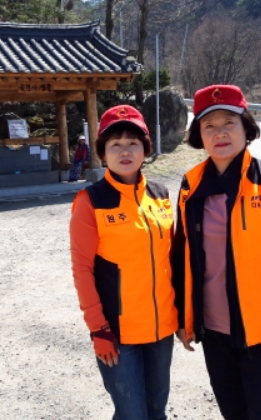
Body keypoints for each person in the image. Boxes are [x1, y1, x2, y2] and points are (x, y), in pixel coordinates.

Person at [171, 84, 261, 420]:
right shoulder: (191, 185)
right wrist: (184, 318)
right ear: (199, 135)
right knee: (232, 412)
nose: (219, 133)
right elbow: (182, 255)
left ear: (245, 128)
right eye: (209, 125)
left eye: (228, 123)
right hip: (213, 329)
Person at [70, 105, 177, 420]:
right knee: (132, 414)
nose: (125, 150)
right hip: (117, 332)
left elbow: (173, 260)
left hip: (161, 329)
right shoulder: (91, 201)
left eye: (133, 142)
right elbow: (82, 270)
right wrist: (98, 329)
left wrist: (184, 315)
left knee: (157, 411)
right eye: (115, 144)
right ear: (103, 153)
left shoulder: (159, 194)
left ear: (145, 148)